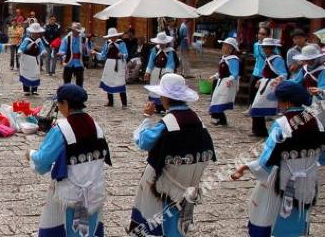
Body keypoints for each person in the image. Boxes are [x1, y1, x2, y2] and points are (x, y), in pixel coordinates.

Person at [230, 81, 325, 237]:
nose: (278, 104)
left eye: (279, 101)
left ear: (287, 102)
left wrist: (246, 167)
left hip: (283, 180)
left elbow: (267, 159)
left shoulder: (282, 124)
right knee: (298, 216)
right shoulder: (317, 122)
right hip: (308, 181)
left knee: (268, 214)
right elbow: (321, 156)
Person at [128, 73, 216, 237]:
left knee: (155, 220)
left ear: (165, 97)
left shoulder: (168, 122)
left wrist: (146, 118)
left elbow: (144, 141)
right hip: (188, 180)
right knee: (177, 221)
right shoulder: (198, 120)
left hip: (164, 183)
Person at [28, 84, 111, 236]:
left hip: (73, 193)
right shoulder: (96, 126)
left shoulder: (62, 129)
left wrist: (31, 154)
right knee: (86, 231)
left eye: (59, 104)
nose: (58, 107)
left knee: (71, 230)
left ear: (65, 104)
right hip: (93, 190)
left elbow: (42, 161)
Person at [249, 38, 288, 137]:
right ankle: (258, 130)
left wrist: (277, 79)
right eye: (264, 48)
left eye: (267, 48)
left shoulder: (277, 59)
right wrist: (261, 79)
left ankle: (261, 131)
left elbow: (283, 73)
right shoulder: (268, 58)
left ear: (272, 48)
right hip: (265, 85)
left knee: (258, 107)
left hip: (271, 87)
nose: (265, 50)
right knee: (256, 107)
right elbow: (266, 73)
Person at [208, 37, 240, 127]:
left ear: (231, 49)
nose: (224, 47)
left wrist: (230, 79)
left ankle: (218, 119)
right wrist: (214, 76)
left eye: (227, 46)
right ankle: (221, 120)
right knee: (216, 99)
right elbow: (221, 72)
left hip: (227, 83)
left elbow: (235, 73)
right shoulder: (224, 59)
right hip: (221, 81)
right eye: (224, 45)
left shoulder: (233, 59)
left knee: (219, 99)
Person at [144, 32, 177, 113]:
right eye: (160, 43)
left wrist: (167, 73)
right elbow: (151, 62)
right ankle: (155, 106)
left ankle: (163, 106)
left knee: (163, 89)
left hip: (165, 72)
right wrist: (147, 72)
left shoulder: (170, 51)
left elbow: (171, 63)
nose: (162, 45)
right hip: (155, 72)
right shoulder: (154, 50)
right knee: (155, 88)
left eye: (163, 43)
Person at [95, 28, 128, 108]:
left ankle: (124, 103)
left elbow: (126, 53)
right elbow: (103, 55)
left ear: (116, 36)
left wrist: (122, 55)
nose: (112, 38)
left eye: (114, 36)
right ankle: (110, 102)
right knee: (109, 81)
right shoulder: (107, 43)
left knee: (120, 81)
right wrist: (96, 53)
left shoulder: (121, 43)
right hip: (109, 64)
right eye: (111, 37)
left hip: (118, 64)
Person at [18, 23, 46, 96]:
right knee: (26, 74)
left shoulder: (39, 40)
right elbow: (22, 47)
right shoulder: (27, 39)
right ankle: (26, 90)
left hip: (35, 59)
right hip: (27, 59)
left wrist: (43, 52)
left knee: (35, 74)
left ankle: (34, 89)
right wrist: (20, 52)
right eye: (34, 33)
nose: (36, 34)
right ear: (31, 32)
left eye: (37, 33)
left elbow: (42, 48)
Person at [248, 27, 274, 105]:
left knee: (262, 93)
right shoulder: (256, 45)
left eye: (263, 34)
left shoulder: (273, 48)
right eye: (259, 33)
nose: (260, 35)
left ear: (268, 35)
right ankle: (250, 108)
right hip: (256, 71)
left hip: (266, 74)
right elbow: (256, 57)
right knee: (252, 91)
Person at [58, 22, 90, 87]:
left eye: (79, 31)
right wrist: (63, 56)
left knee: (80, 80)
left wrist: (85, 49)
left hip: (79, 62)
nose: (78, 33)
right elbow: (62, 50)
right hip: (69, 62)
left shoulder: (83, 39)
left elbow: (87, 52)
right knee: (67, 80)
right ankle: (67, 94)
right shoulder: (66, 39)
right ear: (73, 30)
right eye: (76, 31)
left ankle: (79, 94)